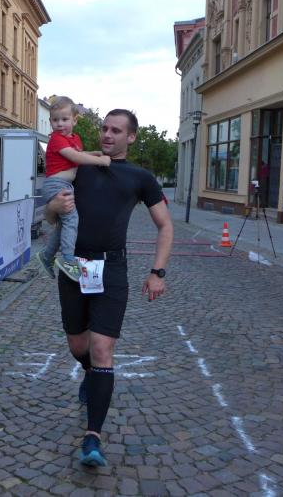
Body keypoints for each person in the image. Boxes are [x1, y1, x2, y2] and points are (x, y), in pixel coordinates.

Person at [46, 109, 173, 467]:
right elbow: (50, 216)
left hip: (112, 268)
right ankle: (90, 375)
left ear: (131, 137)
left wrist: (158, 272)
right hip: (74, 267)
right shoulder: (79, 167)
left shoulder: (140, 177)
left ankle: (93, 438)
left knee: (102, 348)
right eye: (104, 128)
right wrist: (52, 207)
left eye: (116, 130)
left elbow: (165, 226)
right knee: (78, 345)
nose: (107, 135)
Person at [35, 96, 111, 282]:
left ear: (75, 120)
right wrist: (101, 160)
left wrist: (93, 153)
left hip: (64, 184)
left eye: (64, 119)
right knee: (71, 220)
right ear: (51, 121)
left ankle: (47, 256)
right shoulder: (56, 139)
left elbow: (78, 154)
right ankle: (68, 260)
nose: (60, 124)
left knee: (64, 224)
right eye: (55, 120)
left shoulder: (74, 138)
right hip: (56, 184)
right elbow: (75, 158)